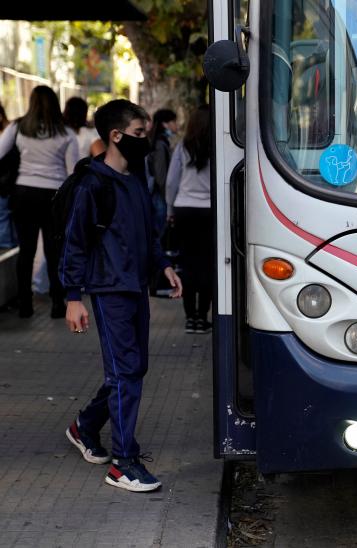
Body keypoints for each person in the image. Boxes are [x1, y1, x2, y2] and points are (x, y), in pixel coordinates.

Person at [60, 99, 182, 492]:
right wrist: (72, 297)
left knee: (133, 368)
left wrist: (162, 264)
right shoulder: (92, 183)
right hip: (109, 289)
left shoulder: (135, 178)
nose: (145, 140)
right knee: (125, 371)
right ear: (116, 136)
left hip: (135, 287)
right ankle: (123, 463)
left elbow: (146, 231)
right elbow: (74, 242)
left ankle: (86, 425)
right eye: (139, 133)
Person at [0, 86, 77, 318]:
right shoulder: (66, 132)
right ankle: (57, 303)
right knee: (54, 251)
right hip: (54, 195)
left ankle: (25, 304)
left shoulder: (18, 127)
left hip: (24, 193)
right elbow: (73, 170)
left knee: (26, 250)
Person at [166, 105, 212, 334]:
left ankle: (190, 318)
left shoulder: (183, 147)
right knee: (207, 266)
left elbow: (171, 182)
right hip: (209, 212)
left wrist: (169, 209)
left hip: (184, 209)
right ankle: (203, 317)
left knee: (186, 264)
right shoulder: (219, 147)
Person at [147, 108, 177, 238]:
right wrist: (168, 199)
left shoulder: (159, 142)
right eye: (174, 121)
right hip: (160, 197)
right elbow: (161, 176)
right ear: (165, 124)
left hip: (158, 195)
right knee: (159, 234)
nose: (176, 125)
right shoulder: (160, 144)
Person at [0, 104, 16, 249]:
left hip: (6, 183)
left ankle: (8, 249)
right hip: (10, 182)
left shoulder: (10, 130)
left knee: (4, 216)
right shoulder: (12, 128)